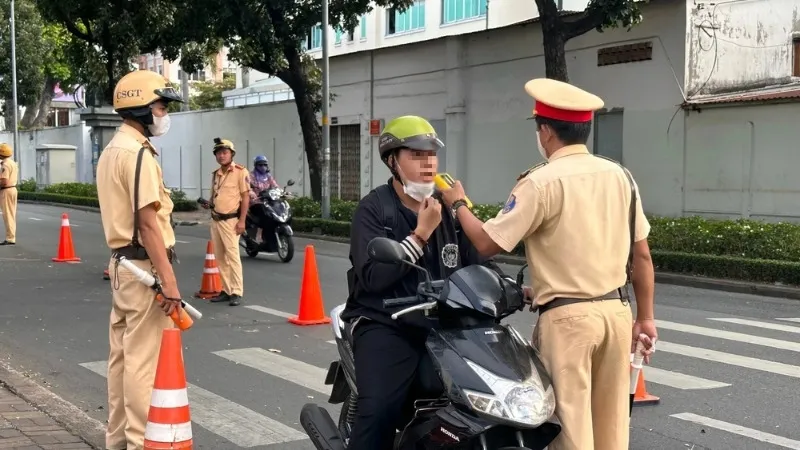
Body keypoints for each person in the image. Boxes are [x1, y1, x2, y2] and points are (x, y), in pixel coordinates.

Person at [439, 78, 658, 450]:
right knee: (612, 429)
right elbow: (642, 255)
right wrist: (646, 318)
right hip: (616, 314)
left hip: (568, 321)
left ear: (545, 131)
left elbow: (487, 242)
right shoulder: (622, 177)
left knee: (568, 432)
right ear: (585, 128)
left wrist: (458, 203)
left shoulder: (540, 182)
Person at [341, 115, 516, 450]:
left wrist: (513, 287)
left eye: (431, 155)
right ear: (393, 161)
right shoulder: (375, 210)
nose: (427, 163)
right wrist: (420, 234)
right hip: (388, 324)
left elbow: (480, 260)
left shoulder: (450, 210)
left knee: (487, 405)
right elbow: (373, 277)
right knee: (378, 411)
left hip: (450, 327)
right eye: (416, 155)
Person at [95, 69, 184, 450]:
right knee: (144, 362)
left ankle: (117, 439)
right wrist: (171, 284)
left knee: (121, 360)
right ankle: (139, 441)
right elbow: (149, 226)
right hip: (144, 268)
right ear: (142, 107)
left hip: (122, 266)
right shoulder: (138, 154)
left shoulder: (113, 149)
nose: (164, 113)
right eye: (161, 106)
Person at [200, 138, 249, 306]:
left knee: (233, 256)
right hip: (216, 220)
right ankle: (226, 290)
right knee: (220, 257)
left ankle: (237, 291)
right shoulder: (216, 174)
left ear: (231, 154)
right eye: (218, 153)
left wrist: (242, 221)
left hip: (231, 221)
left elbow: (245, 197)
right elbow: (214, 196)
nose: (221, 156)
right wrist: (208, 204)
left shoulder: (241, 172)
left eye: (224, 152)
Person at [0, 143, 18, 246]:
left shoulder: (5, 165)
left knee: (8, 215)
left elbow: (4, 181)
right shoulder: (12, 163)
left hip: (6, 190)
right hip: (12, 189)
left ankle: (10, 238)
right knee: (10, 214)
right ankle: (11, 237)